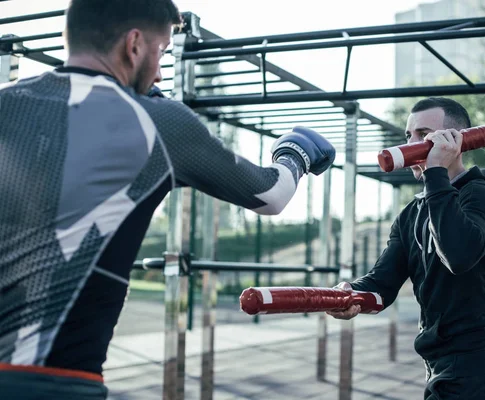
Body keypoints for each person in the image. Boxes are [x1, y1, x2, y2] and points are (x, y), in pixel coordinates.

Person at [0, 1, 335, 398]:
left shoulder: (7, 103)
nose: (159, 72)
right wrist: (295, 152)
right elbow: (272, 193)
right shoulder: (157, 121)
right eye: (160, 53)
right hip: (57, 384)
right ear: (135, 45)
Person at [328, 97, 485, 400]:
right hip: (436, 365)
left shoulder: (482, 197)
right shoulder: (411, 214)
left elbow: (459, 254)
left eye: (423, 135)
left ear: (456, 142)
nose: (410, 144)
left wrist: (435, 172)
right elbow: (382, 283)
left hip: (477, 368)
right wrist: (352, 294)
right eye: (408, 136)